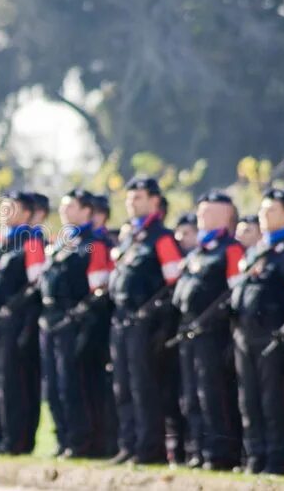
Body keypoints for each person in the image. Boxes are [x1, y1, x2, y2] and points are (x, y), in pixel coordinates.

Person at [230, 188, 284, 474]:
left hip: (273, 336)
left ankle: (277, 460)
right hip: (245, 334)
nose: (264, 215)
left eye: (272, 210)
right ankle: (255, 457)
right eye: (263, 210)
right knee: (249, 400)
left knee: (273, 400)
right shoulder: (255, 251)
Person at [108, 176, 183, 465]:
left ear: (154, 201)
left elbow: (173, 283)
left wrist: (158, 323)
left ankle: (148, 448)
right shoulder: (131, 237)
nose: (131, 203)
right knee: (123, 385)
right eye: (129, 198)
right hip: (122, 319)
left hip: (145, 321)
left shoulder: (162, 238)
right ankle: (129, 443)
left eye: (137, 197)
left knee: (143, 386)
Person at [171, 190, 243, 470]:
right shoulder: (199, 250)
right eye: (201, 212)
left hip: (214, 332)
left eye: (209, 212)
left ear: (225, 216)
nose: (202, 217)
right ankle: (197, 449)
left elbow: (235, 294)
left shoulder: (231, 249)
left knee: (213, 393)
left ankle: (219, 452)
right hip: (189, 330)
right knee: (191, 394)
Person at [38, 189, 113, 458]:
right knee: (54, 386)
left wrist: (79, 319)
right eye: (63, 206)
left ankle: (82, 441)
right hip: (51, 319)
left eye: (71, 207)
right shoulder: (62, 241)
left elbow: (99, 288)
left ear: (87, 211)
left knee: (74, 384)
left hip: (76, 320)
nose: (64, 211)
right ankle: (64, 438)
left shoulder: (94, 243)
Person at [0, 191, 45, 454]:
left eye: (12, 207)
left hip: (15, 321)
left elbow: (35, 285)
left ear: (27, 213)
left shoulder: (30, 241)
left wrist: (24, 324)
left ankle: (15, 440)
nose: (5, 212)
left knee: (12, 384)